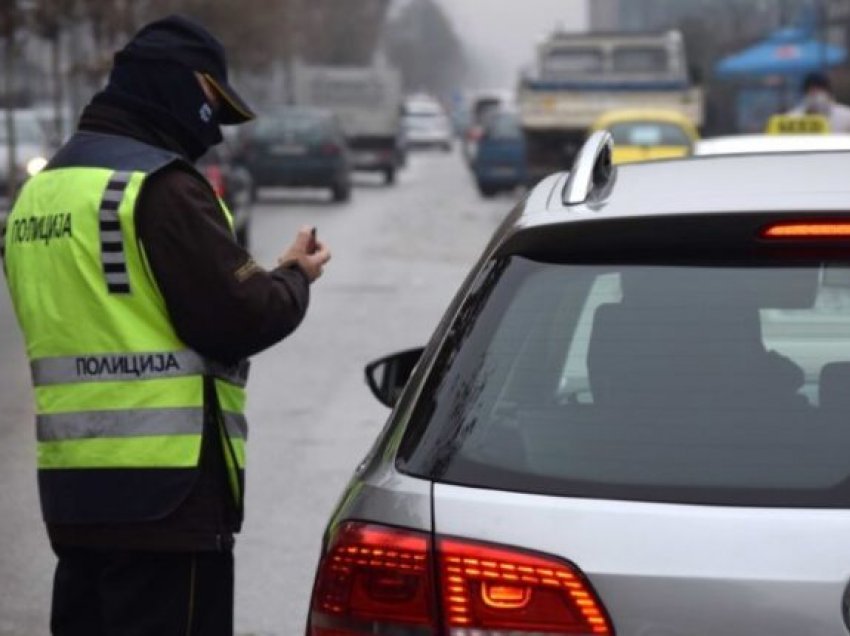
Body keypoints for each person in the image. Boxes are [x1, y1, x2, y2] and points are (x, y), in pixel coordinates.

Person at [2, 15, 330, 636]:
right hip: (168, 499)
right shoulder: (159, 187)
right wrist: (295, 275)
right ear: (175, 88)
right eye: (212, 106)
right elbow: (241, 316)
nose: (214, 136)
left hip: (75, 496)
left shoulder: (37, 197)